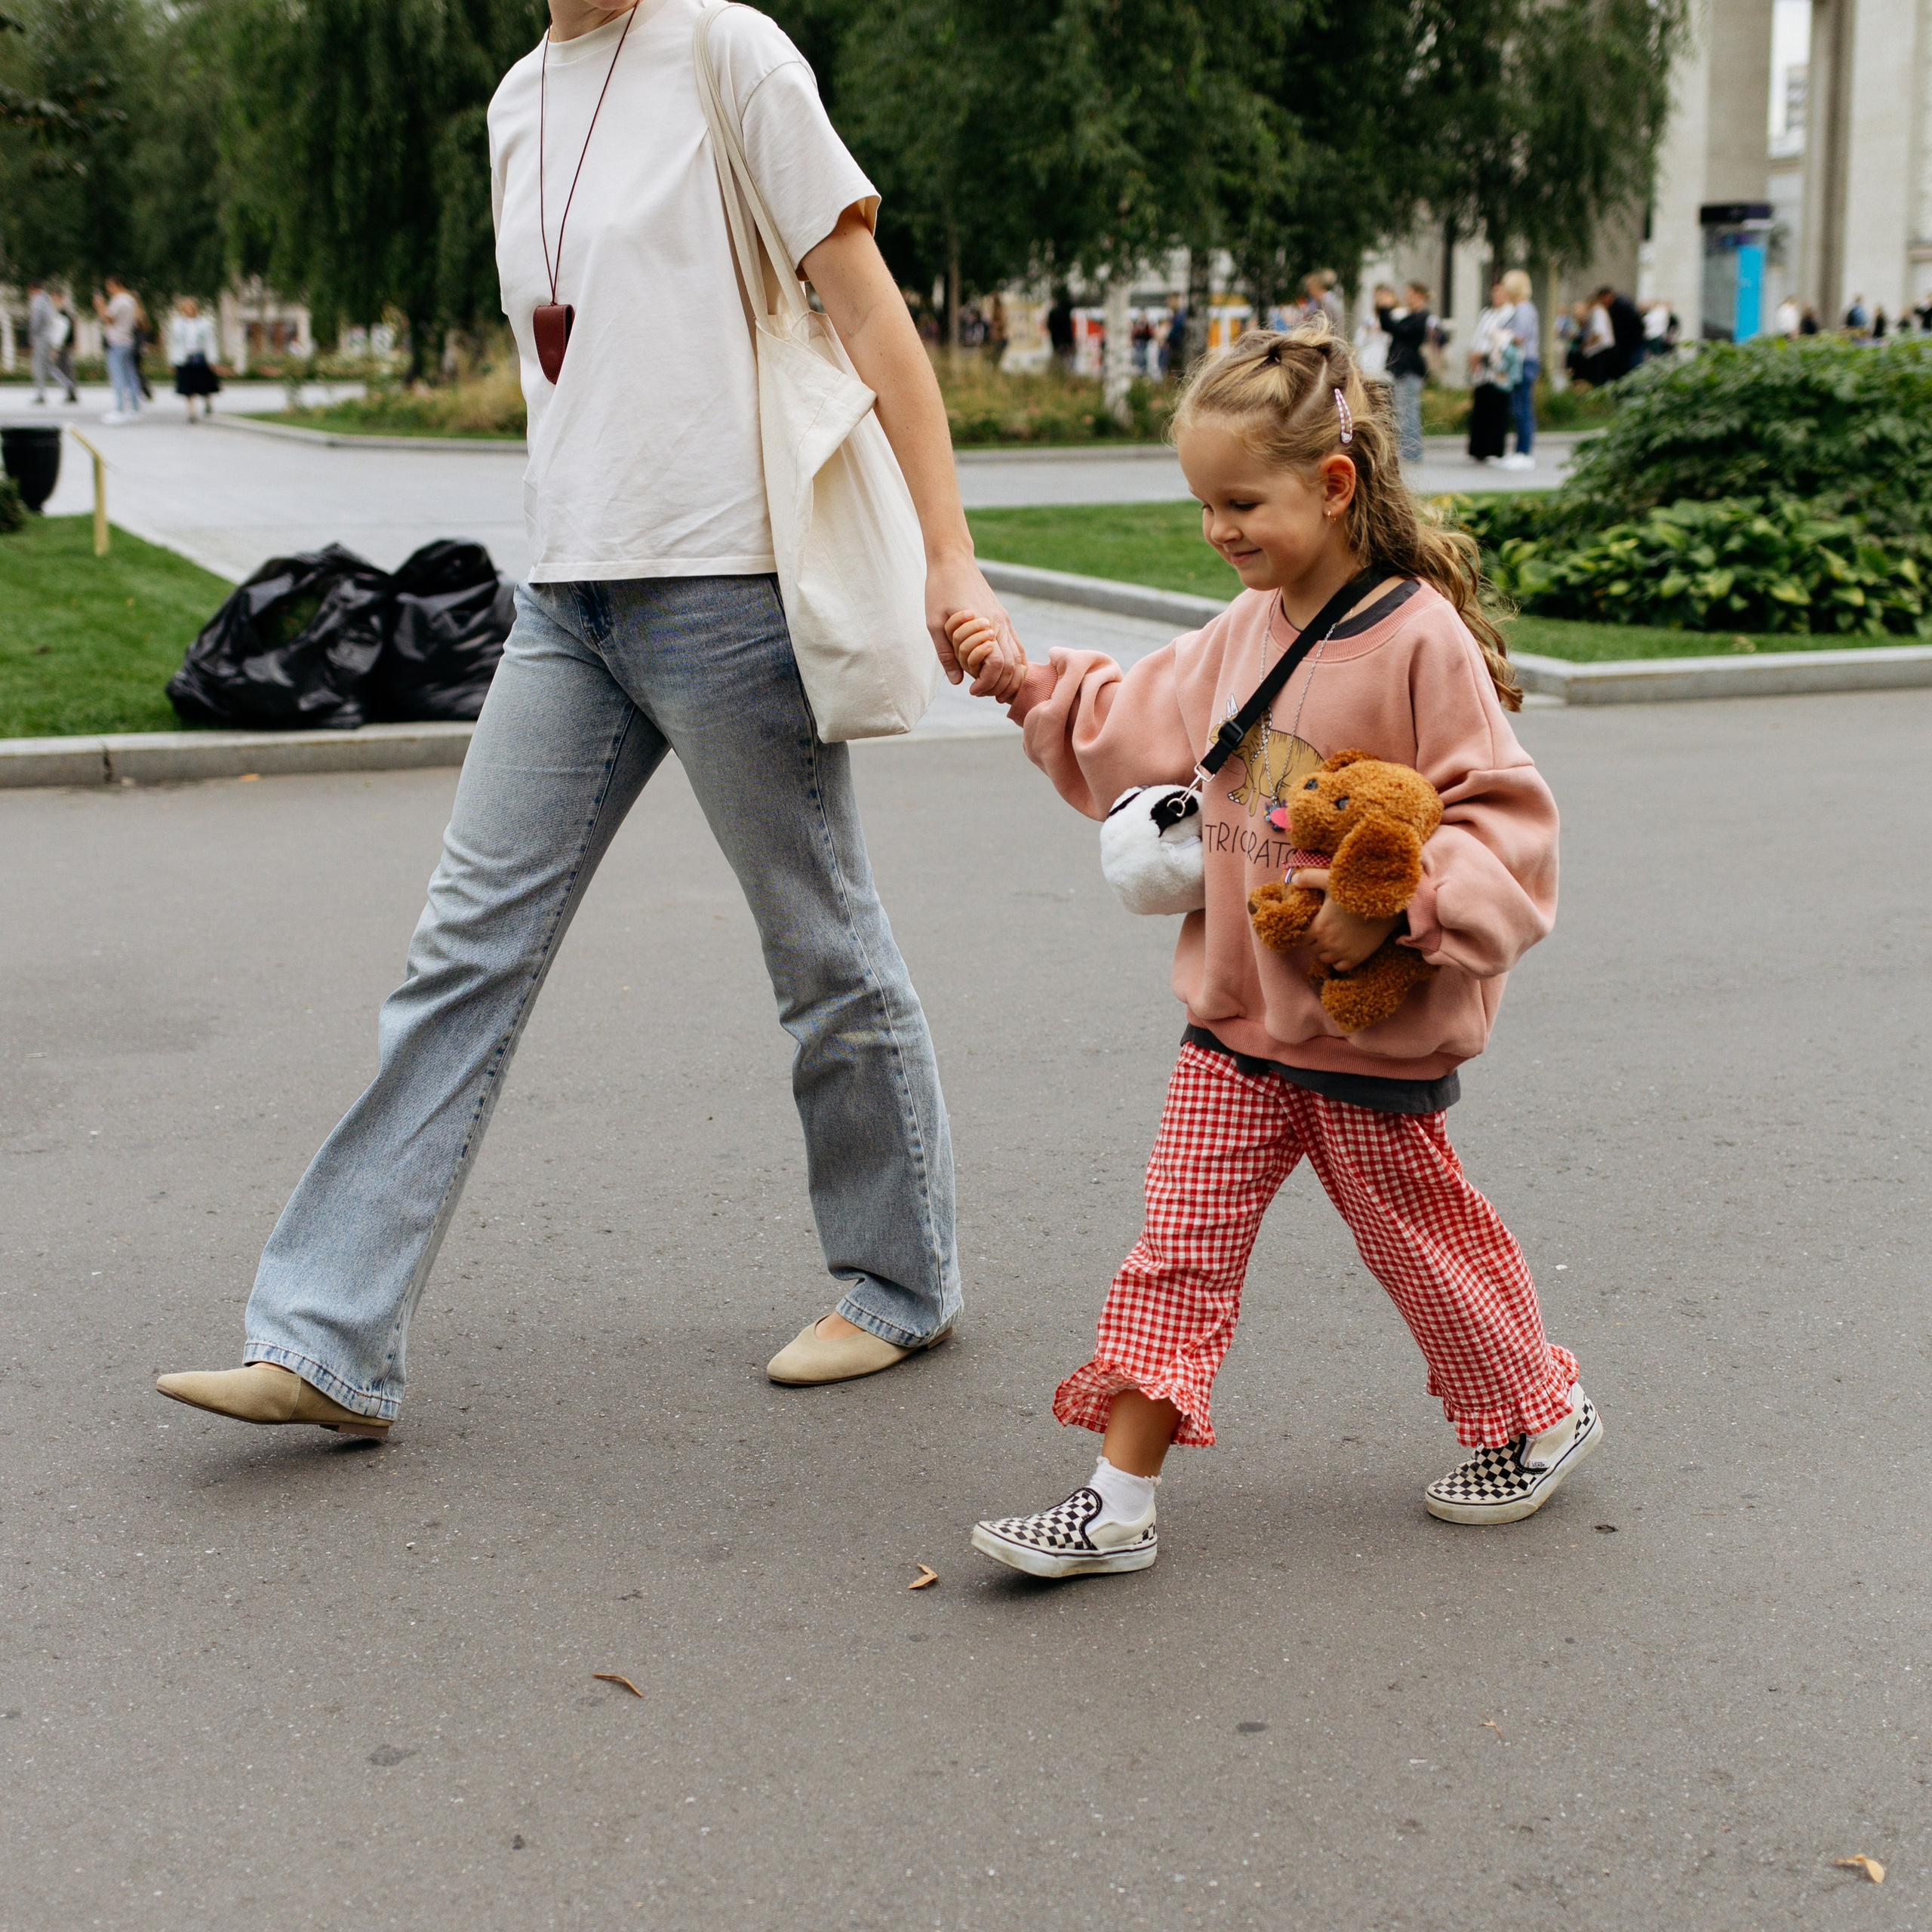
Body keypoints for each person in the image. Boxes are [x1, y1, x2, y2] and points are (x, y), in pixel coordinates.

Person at [153, 0, 1026, 1441]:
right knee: (461, 954)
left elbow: (869, 307)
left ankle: (898, 1283)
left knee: (821, 943)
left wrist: (951, 553)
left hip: (728, 584)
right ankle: (327, 1341)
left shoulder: (729, 49)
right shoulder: (517, 100)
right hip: (566, 603)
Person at [946, 325, 1592, 1577]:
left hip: (1364, 1033)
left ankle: (1541, 1410)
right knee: (1178, 1244)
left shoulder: (1416, 641)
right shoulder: (1246, 626)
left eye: (1241, 501)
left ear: (1335, 484)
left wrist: (1392, 909)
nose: (1218, 530)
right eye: (1202, 504)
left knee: (1422, 1238)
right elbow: (1134, 718)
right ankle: (1116, 1503)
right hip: (1238, 1028)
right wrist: (1023, 680)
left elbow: (1508, 831)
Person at [1374, 279, 1433, 465]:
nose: (1406, 297)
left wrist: (1387, 309)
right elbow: (1389, 327)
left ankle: (1412, 453)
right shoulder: (1411, 315)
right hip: (1401, 370)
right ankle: (1407, 452)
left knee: (1409, 413)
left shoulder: (1421, 317)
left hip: (1410, 371)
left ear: (1419, 295)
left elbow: (1399, 330)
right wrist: (1384, 309)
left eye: (1409, 294)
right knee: (1402, 413)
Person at [1465, 280, 1518, 463]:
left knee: (1498, 407)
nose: (1497, 297)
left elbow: (1506, 339)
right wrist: (1473, 353)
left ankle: (1495, 449)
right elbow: (1479, 336)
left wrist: (1486, 352)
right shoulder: (1486, 314)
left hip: (1498, 364)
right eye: (1495, 293)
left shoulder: (1511, 314)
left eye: (1501, 293)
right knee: (1481, 406)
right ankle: (1479, 449)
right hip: (1482, 365)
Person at [1498, 267, 1538, 470]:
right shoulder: (1522, 308)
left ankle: (1525, 451)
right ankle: (1520, 450)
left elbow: (1520, 336)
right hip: (1523, 362)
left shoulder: (1524, 309)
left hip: (1524, 362)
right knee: (1519, 406)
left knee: (1523, 408)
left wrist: (1502, 336)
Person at [94, 275, 143, 420]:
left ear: (116, 285)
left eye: (109, 286)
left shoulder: (118, 301)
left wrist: (100, 306)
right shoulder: (130, 300)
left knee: (118, 376)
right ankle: (135, 408)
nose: (108, 290)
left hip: (116, 341)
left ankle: (120, 409)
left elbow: (108, 319)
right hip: (128, 340)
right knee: (131, 374)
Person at [168, 297, 221, 420]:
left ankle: (208, 402)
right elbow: (174, 344)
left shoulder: (204, 324)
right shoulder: (177, 325)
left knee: (204, 384)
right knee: (188, 387)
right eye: (186, 308)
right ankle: (192, 412)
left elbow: (210, 342)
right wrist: (173, 361)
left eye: (191, 308)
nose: (188, 311)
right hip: (184, 358)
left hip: (200, 357)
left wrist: (212, 359)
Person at [26, 278, 78, 405]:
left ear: (33, 289)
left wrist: (31, 336)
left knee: (38, 367)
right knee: (49, 367)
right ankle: (68, 385)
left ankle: (41, 394)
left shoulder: (38, 301)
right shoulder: (47, 300)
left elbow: (36, 322)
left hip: (40, 338)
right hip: (48, 337)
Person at [1048, 292, 1075, 371]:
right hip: (1065, 341)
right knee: (1066, 363)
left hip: (1058, 341)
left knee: (1061, 361)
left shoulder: (1054, 314)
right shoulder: (1066, 312)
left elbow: (1050, 327)